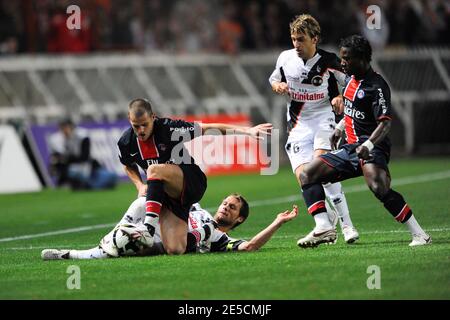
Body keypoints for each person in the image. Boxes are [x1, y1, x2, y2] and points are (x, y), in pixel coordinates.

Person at [296, 35, 431, 248]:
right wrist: (340, 128)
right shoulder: (350, 79)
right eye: (341, 58)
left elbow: (385, 124)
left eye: (347, 59)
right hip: (350, 148)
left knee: (378, 187)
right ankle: (323, 226)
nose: (342, 63)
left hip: (373, 147)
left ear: (362, 59)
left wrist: (368, 145)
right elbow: (351, 110)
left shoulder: (376, 86)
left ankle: (420, 234)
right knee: (307, 174)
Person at [116, 98, 272, 255]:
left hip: (191, 182)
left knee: (153, 170)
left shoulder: (169, 129)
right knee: (175, 248)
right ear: (130, 120)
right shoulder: (126, 142)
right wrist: (140, 185)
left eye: (145, 124)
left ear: (153, 117)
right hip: (169, 196)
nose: (141, 130)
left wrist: (247, 131)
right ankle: (206, 232)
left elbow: (206, 129)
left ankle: (148, 227)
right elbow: (128, 165)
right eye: (136, 126)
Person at [269, 14, 359, 244]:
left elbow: (352, 83)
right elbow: (273, 79)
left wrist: (339, 96)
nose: (296, 45)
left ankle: (347, 224)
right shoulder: (285, 58)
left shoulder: (329, 60)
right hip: (297, 125)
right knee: (303, 177)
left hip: (323, 120)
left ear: (314, 39)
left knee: (321, 170)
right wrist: (277, 85)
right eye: (293, 39)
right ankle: (325, 222)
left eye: (301, 39)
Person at [41, 193, 299, 260]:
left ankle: (71, 254)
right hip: (153, 227)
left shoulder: (220, 239)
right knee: (145, 199)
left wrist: (277, 222)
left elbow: (251, 246)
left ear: (239, 219)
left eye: (232, 208)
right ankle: (123, 230)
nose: (225, 207)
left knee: (121, 247)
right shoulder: (200, 210)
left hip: (162, 244)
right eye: (225, 203)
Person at [48, 118, 118, 190]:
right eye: (62, 128)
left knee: (111, 177)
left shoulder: (82, 136)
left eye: (65, 128)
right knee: (65, 168)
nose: (63, 131)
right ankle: (71, 184)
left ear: (71, 127)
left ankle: (83, 184)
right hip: (75, 167)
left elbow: (84, 157)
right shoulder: (60, 138)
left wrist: (66, 158)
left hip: (90, 166)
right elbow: (58, 157)